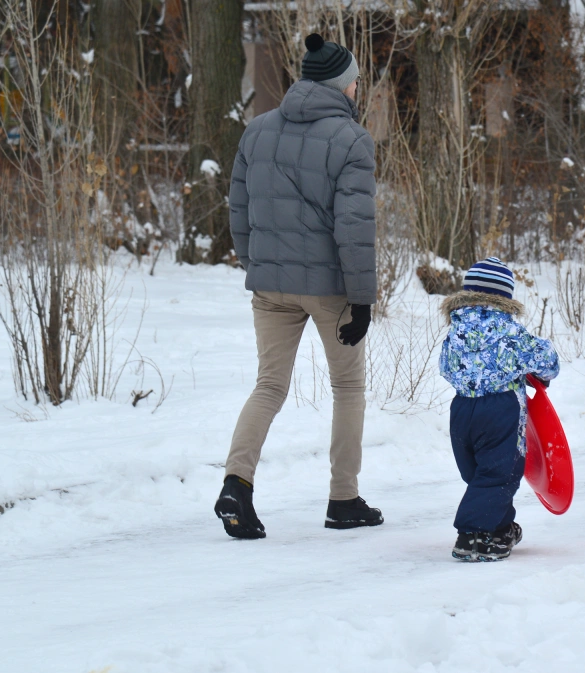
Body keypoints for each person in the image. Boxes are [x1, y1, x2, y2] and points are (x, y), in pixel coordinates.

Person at [215, 34, 382, 539]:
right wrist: (362, 298)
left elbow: (238, 211)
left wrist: (257, 265)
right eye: (355, 81)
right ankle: (343, 499)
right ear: (341, 86)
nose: (358, 89)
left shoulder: (257, 131)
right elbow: (353, 229)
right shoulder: (352, 140)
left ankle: (235, 486)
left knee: (268, 386)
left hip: (271, 286)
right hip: (331, 287)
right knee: (348, 387)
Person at [438, 258, 560, 561]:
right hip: (500, 409)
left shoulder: (455, 329)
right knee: (500, 473)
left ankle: (499, 526)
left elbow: (445, 368)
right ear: (505, 297)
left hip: (462, 408)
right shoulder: (510, 332)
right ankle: (471, 536)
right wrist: (538, 374)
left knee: (480, 473)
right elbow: (547, 360)